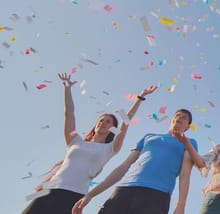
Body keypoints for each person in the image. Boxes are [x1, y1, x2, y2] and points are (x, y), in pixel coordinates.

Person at [22, 73, 155, 214]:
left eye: (108, 121)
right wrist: (67, 88)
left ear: (113, 129)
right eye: (101, 120)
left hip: (74, 195)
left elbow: (125, 121)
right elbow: (69, 113)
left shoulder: (110, 148)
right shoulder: (75, 140)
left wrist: (140, 98)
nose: (103, 122)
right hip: (48, 190)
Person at [71, 108, 197, 214]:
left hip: (157, 195)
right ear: (171, 119)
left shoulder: (190, 143)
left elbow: (185, 174)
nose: (180, 117)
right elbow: (124, 167)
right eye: (177, 115)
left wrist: (181, 205)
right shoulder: (149, 137)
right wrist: (91, 194)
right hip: (124, 189)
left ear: (188, 126)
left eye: (184, 117)